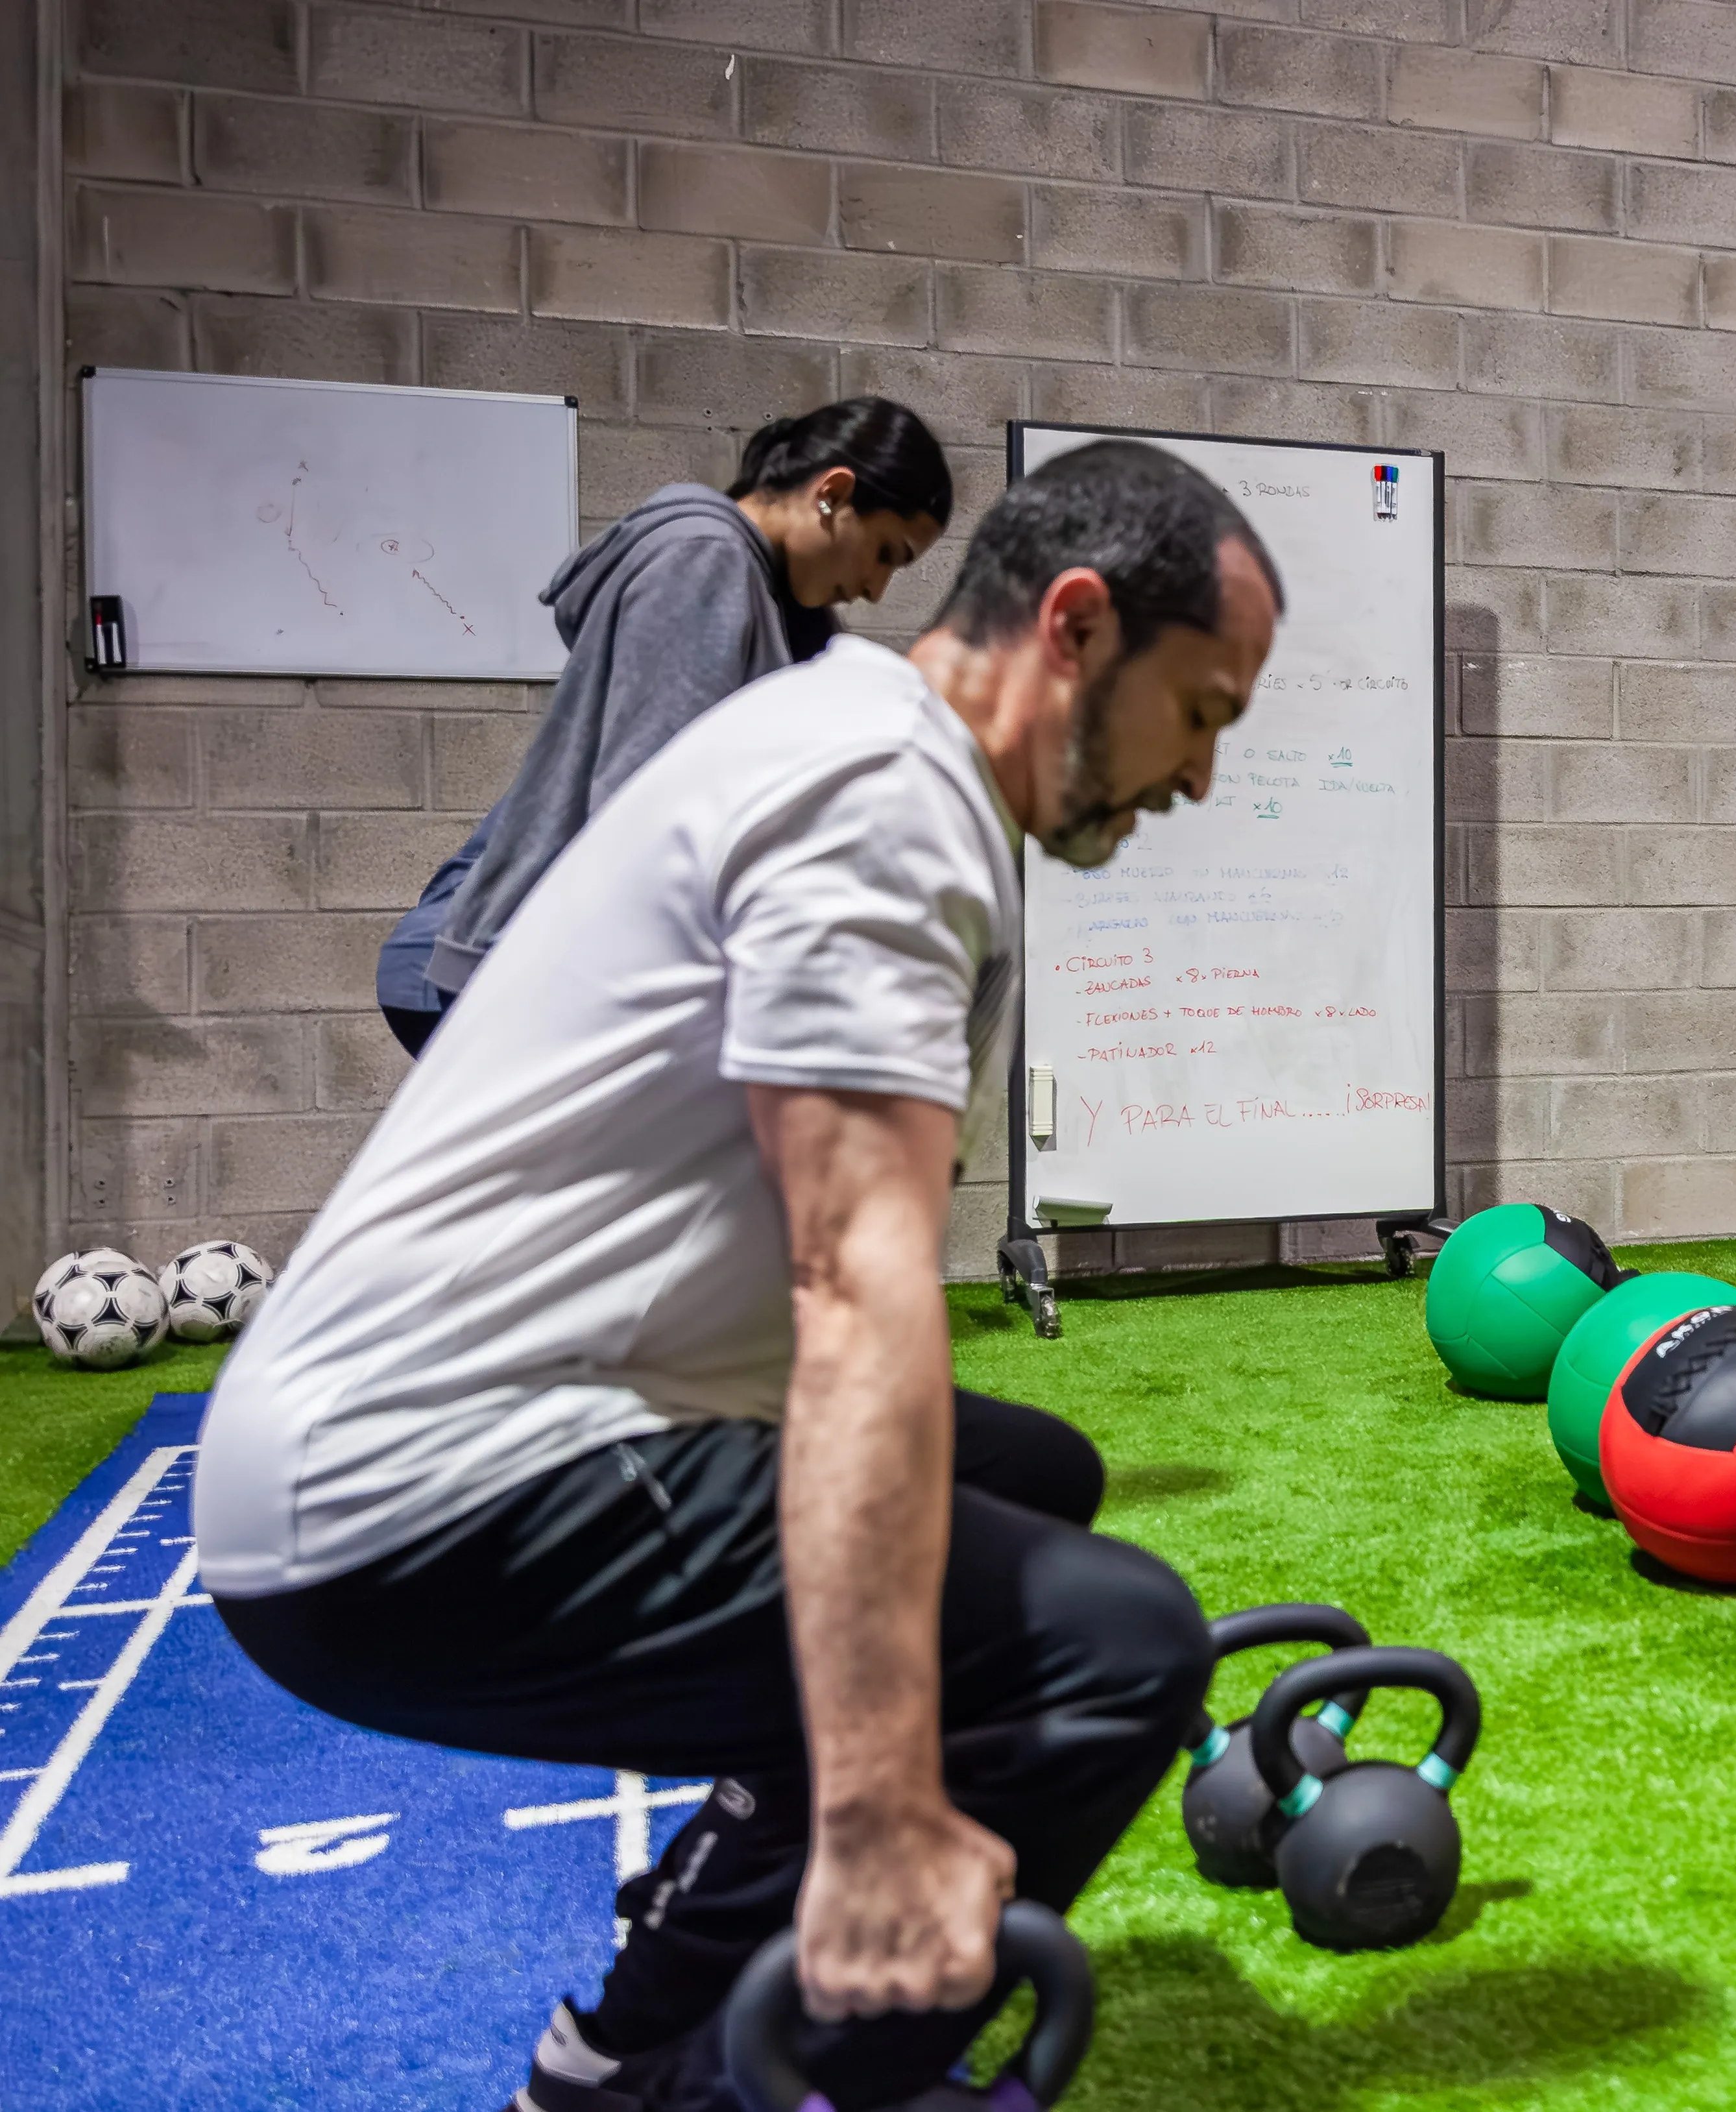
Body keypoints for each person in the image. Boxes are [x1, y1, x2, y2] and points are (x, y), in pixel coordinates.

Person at [200, 441, 1284, 2112]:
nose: (1200, 779)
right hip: (409, 1491)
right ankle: (741, 2088)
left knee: (1030, 1476)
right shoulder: (884, 803)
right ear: (1072, 627)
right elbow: (856, 1296)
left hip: (473, 1424)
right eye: (1202, 714)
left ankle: (627, 2045)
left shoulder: (861, 737)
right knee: (1110, 1650)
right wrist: (875, 1814)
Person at [376, 398, 955, 1056]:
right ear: (832, 494)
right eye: (885, 553)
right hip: (511, 962)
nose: (877, 588)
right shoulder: (703, 560)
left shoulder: (771, 598)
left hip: (543, 962)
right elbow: (649, 809)